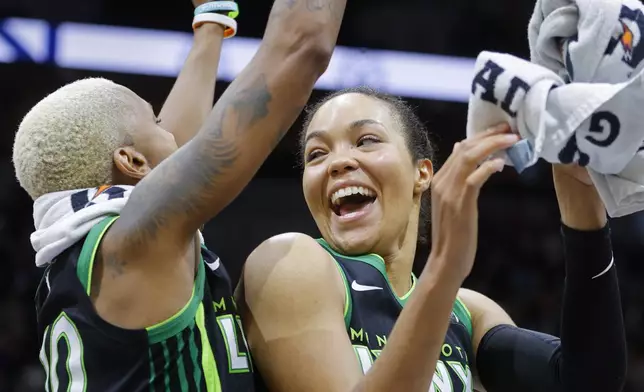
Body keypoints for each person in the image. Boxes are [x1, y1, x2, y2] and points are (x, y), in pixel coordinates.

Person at [12, 0, 347, 389]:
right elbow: (302, 45)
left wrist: (211, 18)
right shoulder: (134, 241)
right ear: (132, 160)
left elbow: (173, 146)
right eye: (154, 120)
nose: (168, 129)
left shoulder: (93, 248)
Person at [237, 87, 627, 392]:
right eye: (316, 154)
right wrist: (444, 267)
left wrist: (581, 201)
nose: (338, 162)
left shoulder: (465, 312)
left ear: (423, 173)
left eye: (366, 140)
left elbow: (586, 379)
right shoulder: (289, 263)